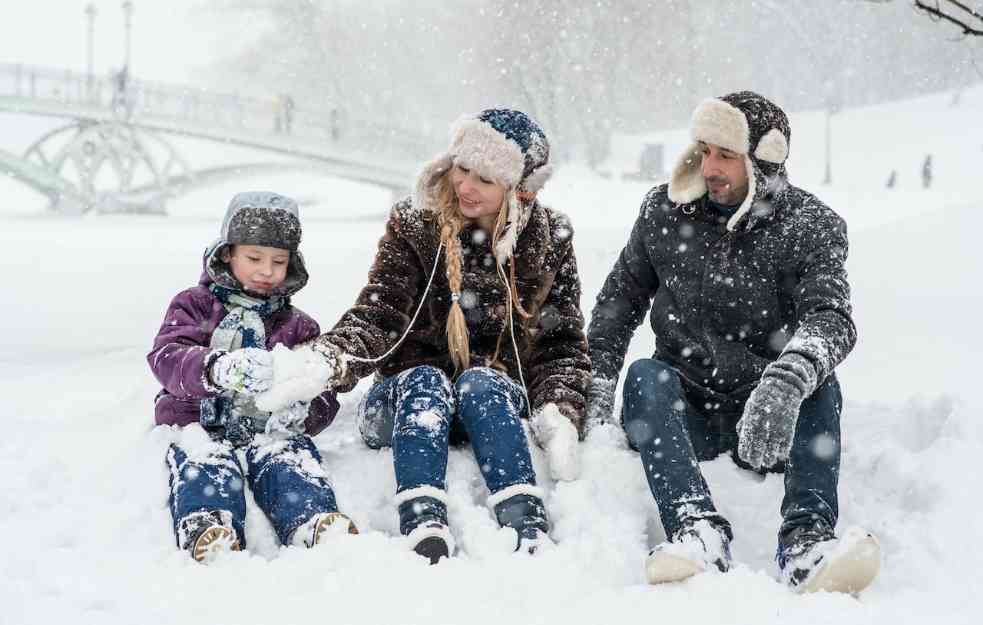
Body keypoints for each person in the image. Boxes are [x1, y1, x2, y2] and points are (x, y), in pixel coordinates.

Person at [586, 91, 879, 593]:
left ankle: (807, 542)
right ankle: (696, 530)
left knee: (820, 382)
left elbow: (832, 317)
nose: (710, 166)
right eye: (704, 150)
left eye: (725, 155)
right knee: (644, 376)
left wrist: (787, 380)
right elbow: (617, 305)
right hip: (686, 409)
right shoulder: (663, 211)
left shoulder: (811, 226)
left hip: (770, 418)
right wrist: (594, 386)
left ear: (762, 162)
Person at [305, 109, 591, 563]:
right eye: (462, 168)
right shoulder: (415, 224)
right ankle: (422, 518)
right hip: (406, 402)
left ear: (519, 191)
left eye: (484, 179)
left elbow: (562, 343)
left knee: (481, 381)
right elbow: (380, 312)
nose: (465, 187)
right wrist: (329, 359)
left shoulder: (549, 238)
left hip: (489, 403)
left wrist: (560, 408)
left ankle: (525, 519)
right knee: (426, 381)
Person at [148, 191, 357, 563]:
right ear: (227, 253)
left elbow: (321, 389)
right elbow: (167, 356)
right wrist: (215, 368)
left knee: (289, 459)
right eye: (254, 258)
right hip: (198, 421)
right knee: (206, 461)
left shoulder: (299, 326)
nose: (266, 271)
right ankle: (208, 523)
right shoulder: (194, 305)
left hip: (267, 429)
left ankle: (311, 519)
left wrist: (304, 413)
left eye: (278, 261)